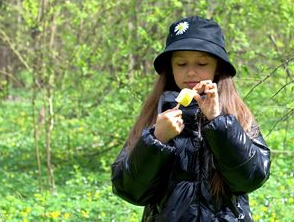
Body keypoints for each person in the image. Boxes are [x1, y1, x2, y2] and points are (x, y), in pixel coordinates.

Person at [111, 16, 271, 221]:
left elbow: (252, 178)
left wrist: (218, 123)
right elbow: (128, 189)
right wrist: (157, 140)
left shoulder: (235, 114)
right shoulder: (156, 115)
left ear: (218, 67)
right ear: (171, 68)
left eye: (202, 63)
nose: (191, 71)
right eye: (181, 63)